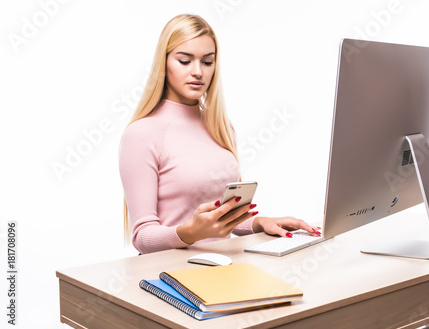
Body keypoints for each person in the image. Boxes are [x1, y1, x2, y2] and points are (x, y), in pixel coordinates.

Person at [119, 14, 321, 254]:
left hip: (224, 265)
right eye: (185, 60)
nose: (198, 72)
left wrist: (260, 223)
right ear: (164, 63)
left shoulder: (221, 126)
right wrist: (191, 232)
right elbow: (142, 237)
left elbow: (223, 219)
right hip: (170, 274)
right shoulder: (142, 134)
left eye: (207, 62)